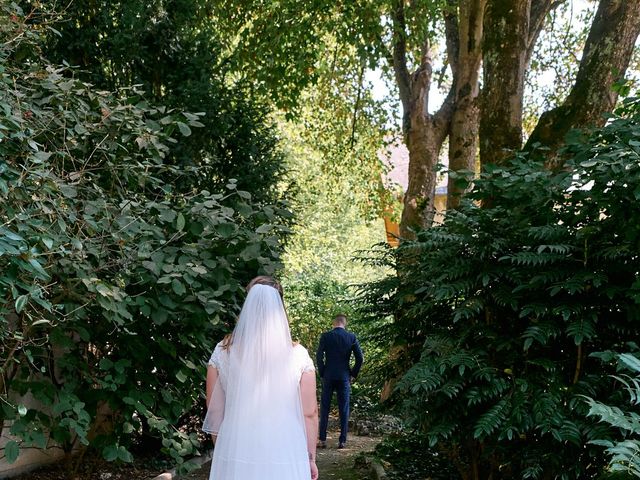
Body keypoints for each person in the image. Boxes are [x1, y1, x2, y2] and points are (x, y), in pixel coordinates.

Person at [203, 276, 319, 480]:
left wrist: (225, 451)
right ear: (280, 308)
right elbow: (309, 413)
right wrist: (310, 458)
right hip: (285, 448)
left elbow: (215, 411)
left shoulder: (222, 352)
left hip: (236, 445)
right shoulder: (299, 355)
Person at [316, 314, 363, 449]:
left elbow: (319, 356)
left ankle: (323, 439)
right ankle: (342, 440)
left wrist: (323, 372)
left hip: (329, 375)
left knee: (325, 407)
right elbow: (360, 358)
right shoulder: (351, 337)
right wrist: (353, 374)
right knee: (344, 408)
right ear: (344, 323)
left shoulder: (326, 336)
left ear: (333, 323)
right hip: (344, 376)